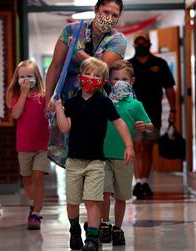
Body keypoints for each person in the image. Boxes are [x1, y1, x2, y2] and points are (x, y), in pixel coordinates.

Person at [54, 57, 134, 251]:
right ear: (81, 76)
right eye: (88, 74)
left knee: (93, 200)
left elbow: (119, 123)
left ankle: (92, 238)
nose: (91, 78)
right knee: (73, 201)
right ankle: (74, 230)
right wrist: (58, 108)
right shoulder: (72, 102)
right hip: (74, 161)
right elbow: (65, 128)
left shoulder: (104, 103)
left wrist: (128, 145)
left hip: (96, 161)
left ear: (103, 81)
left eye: (97, 76)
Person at [45, 0, 127, 164]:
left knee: (93, 148)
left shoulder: (118, 40)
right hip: (69, 96)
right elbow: (55, 66)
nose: (109, 17)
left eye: (114, 15)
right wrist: (48, 99)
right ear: (96, 9)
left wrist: (77, 51)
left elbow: (101, 67)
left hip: (96, 98)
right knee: (69, 149)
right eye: (105, 12)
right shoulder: (72, 30)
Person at [100, 60, 153, 245]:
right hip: (103, 155)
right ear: (109, 81)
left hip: (125, 156)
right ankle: (105, 224)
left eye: (124, 79)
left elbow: (150, 125)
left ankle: (118, 228)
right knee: (104, 193)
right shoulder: (104, 102)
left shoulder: (136, 105)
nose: (120, 82)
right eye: (116, 79)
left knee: (122, 195)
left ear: (132, 81)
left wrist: (145, 126)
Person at [128, 31, 177, 199]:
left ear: (149, 44)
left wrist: (173, 110)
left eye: (144, 42)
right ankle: (137, 183)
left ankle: (144, 181)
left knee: (147, 148)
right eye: (138, 43)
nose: (141, 45)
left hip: (153, 113)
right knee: (137, 147)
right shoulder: (128, 65)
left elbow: (170, 88)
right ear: (134, 45)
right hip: (132, 113)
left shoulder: (159, 63)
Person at [6, 60, 50, 230]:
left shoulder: (44, 95)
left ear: (36, 77)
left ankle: (36, 214)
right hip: (24, 145)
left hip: (42, 144)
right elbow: (16, 114)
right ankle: (33, 204)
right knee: (27, 178)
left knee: (38, 176)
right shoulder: (15, 95)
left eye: (29, 76)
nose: (26, 79)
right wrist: (24, 93)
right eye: (22, 76)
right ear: (16, 78)